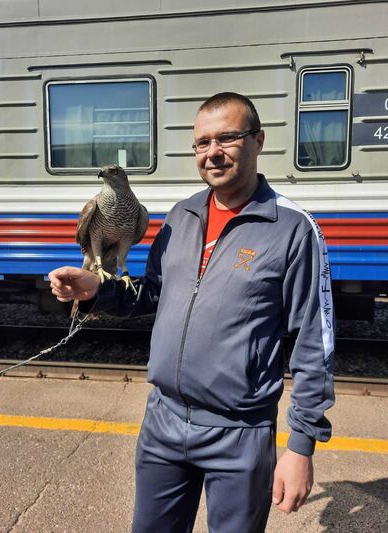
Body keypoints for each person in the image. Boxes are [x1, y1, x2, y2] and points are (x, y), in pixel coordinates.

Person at [49, 92, 335, 533]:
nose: (212, 152)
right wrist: (97, 290)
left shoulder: (293, 229)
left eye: (227, 138)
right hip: (163, 423)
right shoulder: (180, 217)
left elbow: (315, 343)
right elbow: (151, 294)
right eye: (202, 142)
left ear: (258, 141)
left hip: (239, 434)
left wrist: (301, 445)